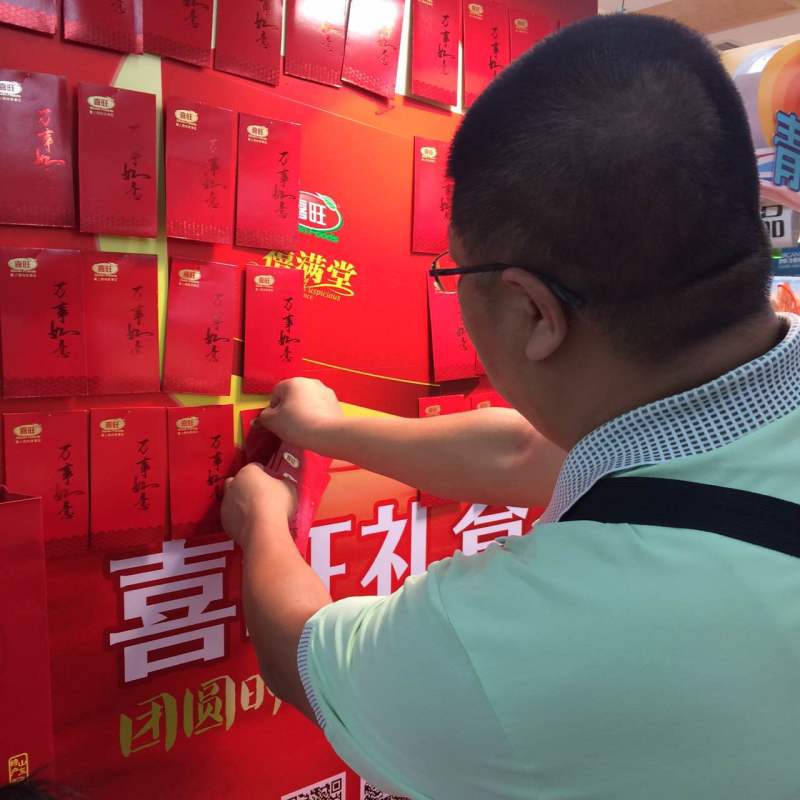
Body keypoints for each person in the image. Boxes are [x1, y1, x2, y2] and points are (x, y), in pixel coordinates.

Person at [222, 13, 800, 799]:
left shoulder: (521, 644)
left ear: (533, 312)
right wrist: (330, 428)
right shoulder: (726, 405)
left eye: (458, 275)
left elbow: (302, 660)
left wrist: (263, 520)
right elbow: (529, 454)